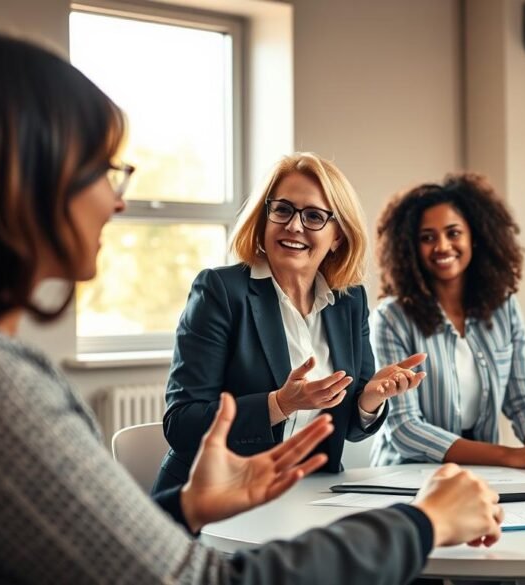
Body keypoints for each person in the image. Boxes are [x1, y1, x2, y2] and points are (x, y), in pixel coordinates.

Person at [0, 24, 502, 584]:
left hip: (286, 499)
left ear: (338, 233)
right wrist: (422, 523)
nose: (118, 200)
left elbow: (104, 556)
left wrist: (188, 509)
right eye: (98, 169)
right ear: (16, 182)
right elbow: (199, 578)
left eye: (315, 217)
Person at [152, 152, 427, 493]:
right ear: (264, 217)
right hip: (215, 496)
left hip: (308, 495)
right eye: (282, 209)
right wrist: (280, 404)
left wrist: (369, 399)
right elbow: (182, 424)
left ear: (338, 236)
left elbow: (353, 429)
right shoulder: (220, 291)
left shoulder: (349, 300)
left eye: (314, 216)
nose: (294, 225)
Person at [370, 173, 525, 471]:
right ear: (409, 248)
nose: (442, 246)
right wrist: (509, 456)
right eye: (427, 238)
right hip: (407, 475)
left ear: (474, 236)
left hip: (484, 473)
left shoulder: (504, 308)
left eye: (453, 233)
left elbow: (524, 396)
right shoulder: (391, 318)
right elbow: (405, 428)